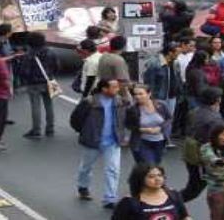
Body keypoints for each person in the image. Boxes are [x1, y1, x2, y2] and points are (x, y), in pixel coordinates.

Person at [71, 78, 128, 209]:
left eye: (118, 87)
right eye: (114, 87)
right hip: (93, 141)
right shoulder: (90, 102)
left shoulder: (119, 101)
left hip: (113, 141)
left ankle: (110, 198)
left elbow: (126, 117)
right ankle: (83, 186)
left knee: (113, 170)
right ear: (104, 89)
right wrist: (86, 132)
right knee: (86, 167)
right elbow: (75, 119)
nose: (117, 89)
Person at [181, 87, 224, 202]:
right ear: (218, 100)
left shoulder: (194, 111)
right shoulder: (215, 118)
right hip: (201, 156)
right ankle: (170, 202)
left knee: (194, 184)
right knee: (194, 189)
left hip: (190, 152)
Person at [111, 164, 190, 220]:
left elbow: (185, 216)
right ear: (140, 179)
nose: (157, 179)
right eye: (151, 176)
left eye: (160, 175)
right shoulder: (129, 202)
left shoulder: (174, 195)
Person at [18, 32, 57, 139]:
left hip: (33, 83)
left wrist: (25, 80)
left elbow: (24, 71)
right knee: (49, 105)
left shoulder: (29, 55)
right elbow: (56, 66)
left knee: (35, 106)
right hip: (48, 81)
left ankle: (36, 130)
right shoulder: (51, 52)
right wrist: (50, 75)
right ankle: (50, 128)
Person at [125, 84, 171, 165]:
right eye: (135, 94)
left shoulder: (161, 105)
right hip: (141, 142)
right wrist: (142, 129)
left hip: (159, 142)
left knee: (155, 166)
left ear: (149, 94)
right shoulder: (132, 109)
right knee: (149, 165)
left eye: (141, 94)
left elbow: (169, 119)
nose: (137, 97)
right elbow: (128, 125)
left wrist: (160, 128)